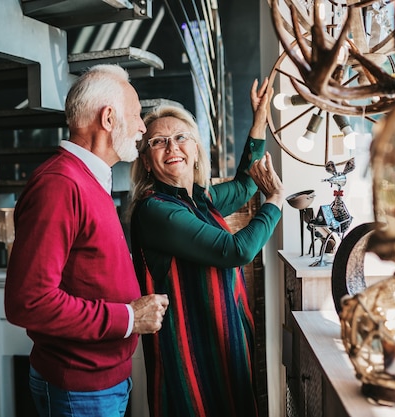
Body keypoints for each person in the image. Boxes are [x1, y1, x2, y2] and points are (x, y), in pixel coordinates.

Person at [4, 64, 169, 417]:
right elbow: (28, 302)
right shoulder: (59, 184)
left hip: (102, 384)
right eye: (137, 114)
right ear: (108, 118)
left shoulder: (87, 178)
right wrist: (127, 318)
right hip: (78, 390)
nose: (142, 127)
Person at [128, 78, 284, 417]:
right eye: (159, 141)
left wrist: (259, 118)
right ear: (147, 160)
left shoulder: (199, 200)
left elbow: (244, 186)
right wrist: (274, 201)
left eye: (181, 137)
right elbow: (235, 251)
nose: (173, 148)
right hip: (191, 358)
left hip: (223, 344)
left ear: (196, 148)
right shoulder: (157, 210)